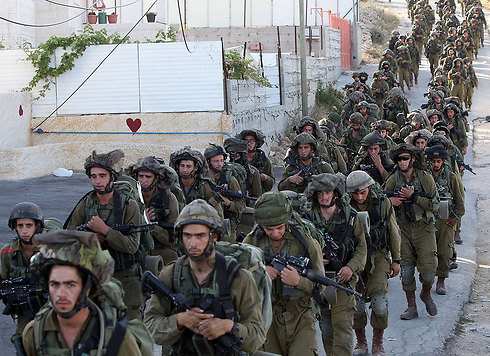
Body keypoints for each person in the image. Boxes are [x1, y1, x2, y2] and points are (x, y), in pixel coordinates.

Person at [144, 199, 266, 355]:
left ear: (214, 236)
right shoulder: (172, 274)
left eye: (200, 236)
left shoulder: (239, 277)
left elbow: (257, 334)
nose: (193, 243)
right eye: (187, 236)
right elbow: (150, 326)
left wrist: (229, 327)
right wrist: (180, 320)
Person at [22, 230, 143, 355]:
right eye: (55, 284)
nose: (61, 294)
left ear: (87, 288)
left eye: (70, 285)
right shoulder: (35, 333)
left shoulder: (115, 336)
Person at [65, 149, 143, 320]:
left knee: (131, 331)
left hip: (125, 276)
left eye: (102, 176)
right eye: (93, 176)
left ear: (113, 177)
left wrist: (106, 231)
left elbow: (132, 245)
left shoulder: (128, 205)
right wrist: (92, 240)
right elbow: (69, 240)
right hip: (94, 276)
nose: (97, 181)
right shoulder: (86, 204)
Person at [243, 191, 324, 355]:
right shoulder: (251, 242)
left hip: (301, 314)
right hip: (266, 317)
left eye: (280, 228)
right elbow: (236, 284)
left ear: (287, 221)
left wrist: (298, 281)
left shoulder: (306, 241)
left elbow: (320, 286)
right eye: (269, 229)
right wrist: (260, 273)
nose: (275, 233)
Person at [303, 174, 367, 356]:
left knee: (343, 333)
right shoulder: (307, 219)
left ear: (335, 193)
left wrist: (350, 267)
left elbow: (362, 249)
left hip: (343, 281)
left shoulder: (350, 217)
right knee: (327, 330)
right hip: (319, 282)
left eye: (328, 192)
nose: (324, 196)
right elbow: (298, 250)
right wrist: (314, 259)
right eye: (321, 193)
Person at [345, 171, 401, 356]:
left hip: (379, 256)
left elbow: (393, 231)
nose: (359, 197)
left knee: (379, 303)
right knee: (356, 304)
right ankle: (361, 343)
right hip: (353, 258)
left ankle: (378, 343)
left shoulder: (383, 203)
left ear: (369, 188)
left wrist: (397, 260)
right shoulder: (344, 205)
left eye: (363, 192)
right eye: (355, 194)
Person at [384, 144, 439, 320]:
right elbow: (380, 199)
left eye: (405, 158)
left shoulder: (425, 177)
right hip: (403, 229)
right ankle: (411, 306)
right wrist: (390, 201)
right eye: (399, 159)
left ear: (413, 159)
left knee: (429, 272)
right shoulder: (394, 179)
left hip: (424, 228)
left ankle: (426, 293)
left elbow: (435, 204)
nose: (402, 162)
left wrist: (413, 197)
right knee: (406, 272)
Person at [1, 203, 46, 342]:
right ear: (15, 227)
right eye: (20, 226)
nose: (24, 231)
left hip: (49, 307)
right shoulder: (7, 252)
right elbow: (4, 279)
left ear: (37, 226)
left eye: (29, 225)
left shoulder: (49, 249)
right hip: (25, 307)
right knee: (20, 340)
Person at [425, 146, 465, 295]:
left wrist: (456, 218)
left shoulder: (451, 176)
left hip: (445, 220)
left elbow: (459, 199)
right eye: (433, 161)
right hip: (428, 219)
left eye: (439, 161)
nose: (436, 164)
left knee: (444, 252)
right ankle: (427, 283)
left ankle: (441, 281)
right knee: (428, 252)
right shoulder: (424, 176)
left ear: (443, 161)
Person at [127, 156, 181, 264]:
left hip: (161, 248)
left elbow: (172, 238)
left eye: (148, 177)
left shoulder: (168, 199)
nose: (143, 180)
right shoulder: (129, 197)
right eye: (140, 176)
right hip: (135, 247)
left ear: (156, 179)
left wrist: (150, 226)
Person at [203, 143, 246, 242]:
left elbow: (241, 205)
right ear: (208, 162)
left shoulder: (229, 179)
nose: (219, 164)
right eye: (216, 161)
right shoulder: (202, 180)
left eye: (222, 161)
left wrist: (229, 203)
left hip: (227, 226)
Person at [169, 146, 224, 217]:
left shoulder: (204, 186)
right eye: (182, 166)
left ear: (195, 168)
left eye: (188, 166)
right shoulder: (172, 185)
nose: (185, 170)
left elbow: (218, 214)